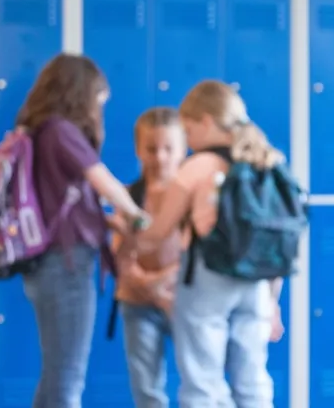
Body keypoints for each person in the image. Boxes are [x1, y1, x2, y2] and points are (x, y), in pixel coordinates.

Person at [136, 80, 284, 408]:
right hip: (258, 281)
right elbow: (278, 238)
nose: (188, 141)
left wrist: (129, 232)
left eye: (188, 131)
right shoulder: (267, 161)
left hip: (208, 276)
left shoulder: (197, 166)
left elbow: (159, 232)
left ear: (205, 121)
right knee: (252, 378)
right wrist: (273, 302)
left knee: (202, 379)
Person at [16, 53, 150, 408]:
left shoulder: (40, 132)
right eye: (98, 101)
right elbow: (103, 181)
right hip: (66, 264)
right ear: (81, 94)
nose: (98, 111)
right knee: (67, 378)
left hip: (47, 263)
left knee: (56, 375)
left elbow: (62, 204)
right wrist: (138, 216)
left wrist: (106, 222)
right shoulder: (61, 130)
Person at [111, 107, 187, 408]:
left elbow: (198, 253)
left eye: (169, 148)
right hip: (137, 303)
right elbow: (120, 254)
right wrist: (148, 286)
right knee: (146, 390)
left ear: (184, 149)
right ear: (138, 150)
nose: (160, 157)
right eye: (152, 149)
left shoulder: (192, 196)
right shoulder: (128, 196)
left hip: (183, 301)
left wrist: (165, 282)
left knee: (200, 382)